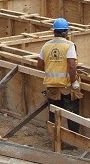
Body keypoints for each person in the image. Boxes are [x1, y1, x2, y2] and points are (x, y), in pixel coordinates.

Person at [36, 17, 82, 146]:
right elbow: (72, 65)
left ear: (54, 31)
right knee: (72, 113)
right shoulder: (69, 45)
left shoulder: (46, 45)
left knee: (54, 114)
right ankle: (73, 142)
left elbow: (39, 65)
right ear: (65, 32)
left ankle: (56, 140)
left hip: (51, 85)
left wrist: (52, 67)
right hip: (66, 85)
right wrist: (74, 82)